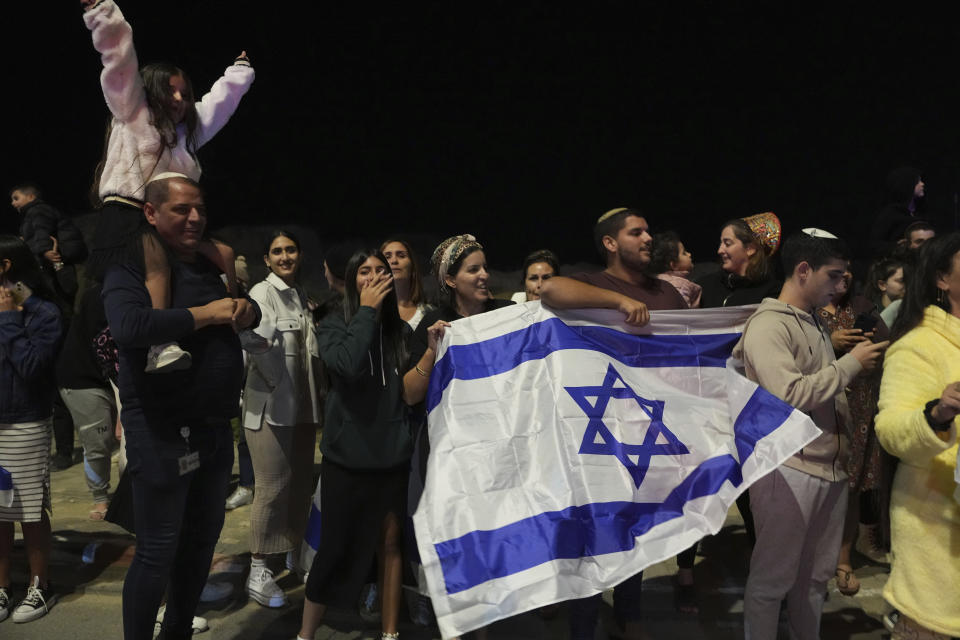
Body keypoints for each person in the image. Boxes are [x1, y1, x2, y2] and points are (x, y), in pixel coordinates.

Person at [101, 173, 259, 639]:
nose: (195, 218)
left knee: (199, 547)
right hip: (161, 429)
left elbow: (242, 308)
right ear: (151, 212)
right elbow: (129, 325)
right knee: (158, 550)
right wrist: (206, 315)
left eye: (201, 209)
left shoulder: (210, 263)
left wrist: (247, 309)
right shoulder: (131, 266)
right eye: (181, 210)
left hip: (212, 429)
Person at [80, 0, 254, 373]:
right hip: (128, 216)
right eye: (170, 92)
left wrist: (239, 72)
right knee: (156, 265)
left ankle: (239, 327)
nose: (179, 99)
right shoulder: (132, 113)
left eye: (184, 93)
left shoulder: (187, 133)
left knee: (223, 253)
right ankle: (160, 345)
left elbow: (219, 105)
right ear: (150, 92)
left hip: (171, 221)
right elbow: (119, 60)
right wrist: (103, 15)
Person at [539, 207, 686, 638]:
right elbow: (551, 289)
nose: (647, 238)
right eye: (636, 232)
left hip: (651, 436)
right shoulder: (593, 282)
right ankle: (584, 624)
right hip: (600, 439)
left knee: (632, 534)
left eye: (648, 231)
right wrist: (619, 302)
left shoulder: (668, 294)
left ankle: (629, 615)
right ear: (610, 242)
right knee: (594, 534)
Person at [733, 230, 887, 640]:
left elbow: (817, 386)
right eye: (833, 276)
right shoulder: (767, 325)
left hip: (829, 469)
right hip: (788, 470)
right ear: (803, 270)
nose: (841, 287)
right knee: (771, 582)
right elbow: (787, 395)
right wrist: (850, 365)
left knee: (815, 580)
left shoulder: (815, 320)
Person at [298, 249, 418, 640]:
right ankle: (305, 634)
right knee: (333, 549)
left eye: (381, 270)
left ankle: (389, 633)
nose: (374, 277)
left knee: (389, 545)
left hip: (390, 459)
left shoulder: (399, 330)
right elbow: (346, 365)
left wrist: (431, 350)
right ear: (352, 281)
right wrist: (365, 312)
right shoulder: (332, 322)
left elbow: (407, 392)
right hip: (346, 460)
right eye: (364, 271)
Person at [874, 233, 960, 639]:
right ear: (943, 278)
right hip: (938, 539)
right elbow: (891, 430)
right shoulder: (919, 344)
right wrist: (937, 414)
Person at [242, 231, 319, 608]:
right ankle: (258, 568)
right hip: (271, 409)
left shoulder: (301, 295)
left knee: (300, 484)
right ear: (267, 260)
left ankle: (292, 552)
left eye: (291, 249)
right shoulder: (262, 292)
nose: (285, 256)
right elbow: (254, 341)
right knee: (272, 487)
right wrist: (273, 384)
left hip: (303, 408)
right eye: (277, 251)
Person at [0, 236, 63, 624]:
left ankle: (41, 586)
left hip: (26, 422)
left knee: (28, 509)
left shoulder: (44, 314)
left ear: (6, 267)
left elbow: (32, 368)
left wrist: (8, 320)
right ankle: (2, 586)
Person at [816, 269, 890, 595]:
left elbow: (889, 348)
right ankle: (815, 558)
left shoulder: (862, 306)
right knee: (821, 490)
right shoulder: (807, 310)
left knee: (852, 486)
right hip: (821, 409)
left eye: (848, 264)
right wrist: (829, 343)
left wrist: (873, 349)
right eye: (836, 266)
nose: (845, 272)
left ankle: (844, 559)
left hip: (861, 408)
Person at [56, 285, 118, 521]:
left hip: (111, 376)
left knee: (121, 440)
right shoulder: (100, 295)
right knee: (98, 441)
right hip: (82, 378)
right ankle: (100, 496)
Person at [9, 183, 88, 309]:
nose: (13, 203)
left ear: (30, 197)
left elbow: (42, 230)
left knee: (62, 293)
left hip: (56, 259)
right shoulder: (30, 216)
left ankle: (10, 307)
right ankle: (10, 306)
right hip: (45, 262)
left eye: (16, 198)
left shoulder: (38, 210)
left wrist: (45, 250)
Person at [697, 213, 781, 308]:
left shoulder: (771, 292)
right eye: (721, 243)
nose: (720, 250)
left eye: (728, 244)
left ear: (750, 249)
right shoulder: (705, 285)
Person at [869, 167, 926, 258]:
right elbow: (875, 245)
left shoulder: (919, 213)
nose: (922, 184)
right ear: (907, 185)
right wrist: (897, 246)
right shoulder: (890, 214)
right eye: (918, 181)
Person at [381, 238, 431, 330]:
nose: (394, 261)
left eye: (401, 256)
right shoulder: (372, 312)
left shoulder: (430, 314)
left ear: (412, 268)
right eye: (387, 257)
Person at [649, 231, 701, 308]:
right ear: (674, 265)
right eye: (684, 253)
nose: (689, 254)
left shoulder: (654, 280)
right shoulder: (680, 286)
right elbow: (684, 313)